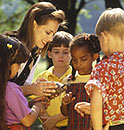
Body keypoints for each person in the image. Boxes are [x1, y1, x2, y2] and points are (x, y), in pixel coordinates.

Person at [4, 1, 65, 98]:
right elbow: (3, 89)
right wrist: (31, 89)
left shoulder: (36, 54)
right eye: (48, 32)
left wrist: (38, 88)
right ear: (34, 24)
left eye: (53, 34)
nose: (50, 39)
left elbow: (20, 90)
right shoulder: (8, 47)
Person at [84, 8, 124, 130]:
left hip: (113, 126)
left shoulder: (104, 66)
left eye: (99, 40)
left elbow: (97, 102)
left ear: (104, 36)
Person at [0, 35, 47, 130]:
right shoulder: (11, 89)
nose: (20, 67)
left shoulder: (3, 88)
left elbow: (10, 110)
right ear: (7, 64)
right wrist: (37, 107)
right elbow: (28, 120)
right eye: (18, 64)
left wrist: (31, 103)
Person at [32, 31, 73, 130]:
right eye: (56, 51)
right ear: (49, 54)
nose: (61, 55)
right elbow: (37, 103)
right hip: (49, 126)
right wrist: (49, 123)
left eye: (66, 52)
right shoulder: (43, 77)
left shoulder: (76, 77)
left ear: (72, 54)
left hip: (72, 125)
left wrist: (54, 120)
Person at [60, 33, 101, 130]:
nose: (78, 64)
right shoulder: (69, 81)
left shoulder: (99, 80)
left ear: (94, 57)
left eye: (83, 59)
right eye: (74, 60)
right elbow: (65, 113)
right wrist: (65, 103)